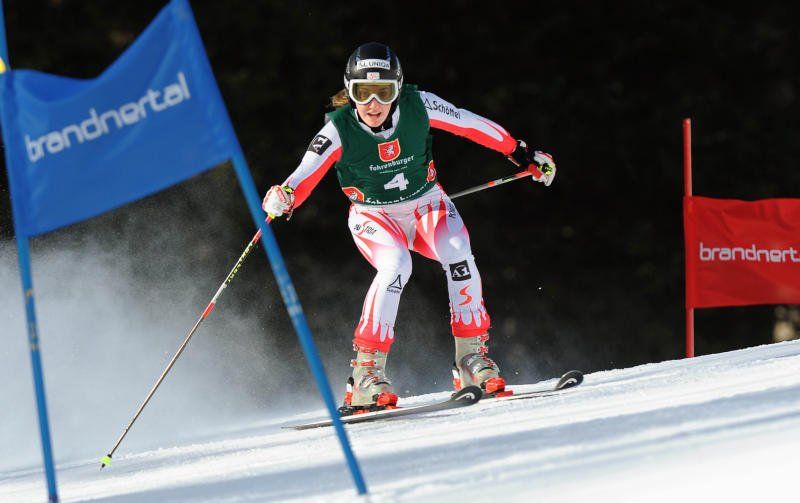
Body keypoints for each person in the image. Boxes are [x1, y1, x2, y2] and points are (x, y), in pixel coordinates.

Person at [262, 42, 556, 414]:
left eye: (383, 92)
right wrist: (284, 195)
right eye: (362, 93)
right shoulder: (339, 128)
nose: (373, 104)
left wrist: (521, 153)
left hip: (426, 204)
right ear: (350, 91)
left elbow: (469, 123)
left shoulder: (420, 105)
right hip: (373, 216)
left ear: (398, 89)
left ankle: (471, 358)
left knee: (457, 252)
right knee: (396, 266)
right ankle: (366, 374)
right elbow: (305, 172)